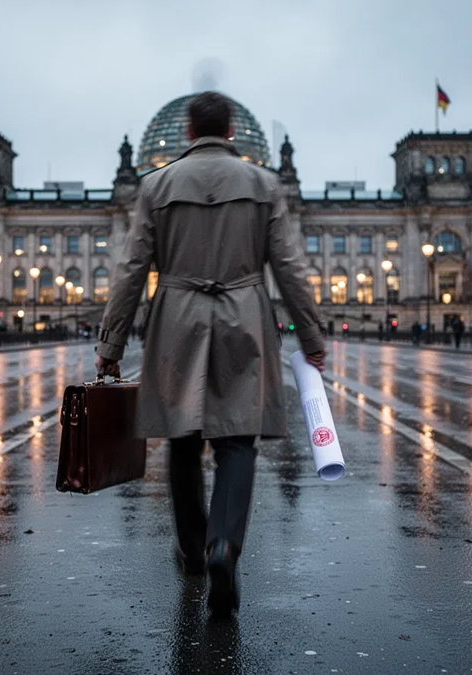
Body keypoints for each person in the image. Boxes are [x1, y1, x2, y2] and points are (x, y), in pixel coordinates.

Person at [95, 91, 326, 617]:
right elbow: (290, 268)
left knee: (181, 437)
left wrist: (111, 344)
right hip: (244, 315)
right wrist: (312, 337)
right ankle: (224, 545)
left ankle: (194, 548)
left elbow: (131, 271)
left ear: (187, 132)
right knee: (238, 440)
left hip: (175, 317)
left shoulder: (156, 185)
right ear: (232, 131)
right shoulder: (263, 184)